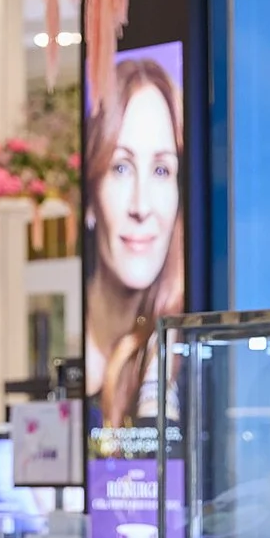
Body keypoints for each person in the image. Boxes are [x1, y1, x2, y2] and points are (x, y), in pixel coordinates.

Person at [84, 55, 183, 427]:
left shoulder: (181, 355)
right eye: (121, 167)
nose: (141, 206)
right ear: (91, 192)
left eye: (161, 170)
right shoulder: (74, 356)